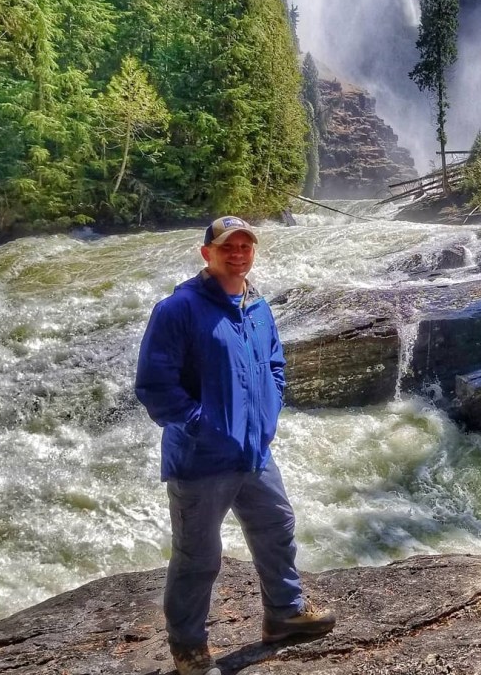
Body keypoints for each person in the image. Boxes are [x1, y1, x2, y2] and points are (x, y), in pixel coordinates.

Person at [135, 216, 335, 675]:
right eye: (228, 246)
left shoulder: (257, 306)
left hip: (254, 451)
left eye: (245, 246)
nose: (238, 253)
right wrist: (200, 425)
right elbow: (154, 385)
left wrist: (269, 409)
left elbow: (276, 364)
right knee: (197, 558)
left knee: (277, 527)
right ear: (207, 253)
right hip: (201, 459)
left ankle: (284, 614)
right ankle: (189, 648)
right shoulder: (178, 309)